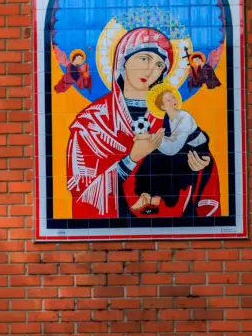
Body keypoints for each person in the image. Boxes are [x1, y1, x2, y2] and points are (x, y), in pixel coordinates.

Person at [66, 27, 221, 219]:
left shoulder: (170, 115)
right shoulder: (91, 122)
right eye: (144, 58)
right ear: (123, 62)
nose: (150, 70)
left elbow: (198, 156)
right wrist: (130, 159)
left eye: (158, 65)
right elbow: (80, 188)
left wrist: (201, 165)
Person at [131, 83, 212, 214]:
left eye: (173, 97)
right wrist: (145, 138)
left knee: (165, 161)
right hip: (181, 149)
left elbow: (173, 146)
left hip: (195, 152)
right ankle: (147, 197)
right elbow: (167, 140)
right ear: (162, 106)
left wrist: (150, 138)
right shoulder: (168, 118)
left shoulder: (184, 117)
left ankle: (154, 199)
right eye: (168, 100)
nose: (173, 101)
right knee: (153, 158)